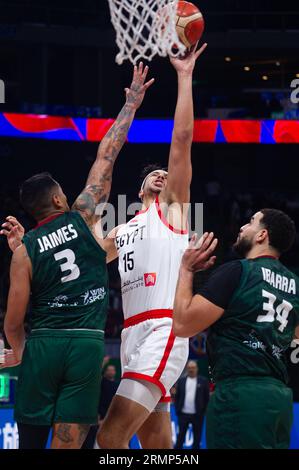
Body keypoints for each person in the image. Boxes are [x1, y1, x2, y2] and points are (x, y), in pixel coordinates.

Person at [0, 63, 154, 449]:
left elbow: (13, 322)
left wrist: (21, 355)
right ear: (57, 199)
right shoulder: (84, 216)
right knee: (69, 441)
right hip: (85, 343)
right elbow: (107, 156)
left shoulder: (24, 252)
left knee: (31, 438)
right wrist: (131, 105)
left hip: (44, 344)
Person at [96, 42, 208, 449]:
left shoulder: (173, 210)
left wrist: (184, 76)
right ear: (140, 186)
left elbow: (181, 142)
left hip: (163, 328)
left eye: (166, 173)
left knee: (109, 440)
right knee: (158, 444)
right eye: (154, 174)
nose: (163, 175)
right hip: (130, 336)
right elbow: (87, 258)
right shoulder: (122, 229)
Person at [173, 209, 299, 449]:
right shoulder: (295, 285)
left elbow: (182, 324)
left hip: (240, 396)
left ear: (262, 235)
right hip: (280, 399)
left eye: (251, 221)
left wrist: (187, 270)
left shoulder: (238, 271)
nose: (242, 227)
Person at [82, 363, 120, 449]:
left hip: (110, 419)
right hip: (96, 419)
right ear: (105, 371)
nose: (110, 372)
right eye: (108, 370)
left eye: (112, 370)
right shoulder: (100, 383)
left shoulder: (118, 386)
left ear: (115, 372)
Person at [174, 360, 209, 449]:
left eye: (193, 368)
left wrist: (203, 411)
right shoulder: (181, 381)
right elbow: (177, 397)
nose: (191, 370)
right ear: (187, 369)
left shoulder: (203, 381)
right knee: (180, 438)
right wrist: (178, 409)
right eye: (189, 368)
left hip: (197, 415)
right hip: (183, 415)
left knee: (197, 438)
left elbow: (206, 398)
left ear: (197, 369)